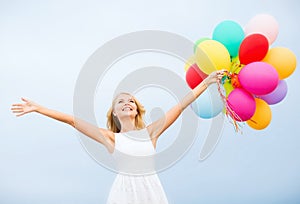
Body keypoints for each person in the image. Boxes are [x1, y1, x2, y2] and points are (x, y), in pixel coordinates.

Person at [11, 70, 226, 204]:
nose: (126, 103)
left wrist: (206, 83)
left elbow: (180, 106)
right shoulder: (111, 138)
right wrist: (39, 109)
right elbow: (73, 120)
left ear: (136, 110)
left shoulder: (151, 132)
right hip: (123, 193)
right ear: (114, 112)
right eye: (121, 102)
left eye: (131, 101)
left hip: (151, 191)